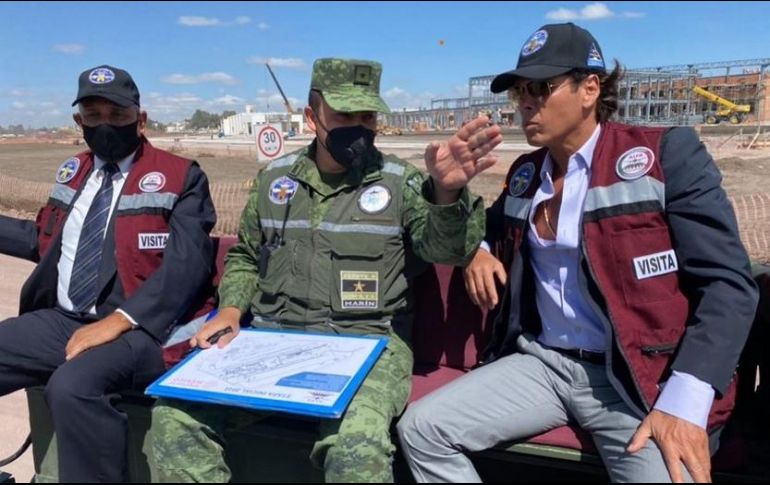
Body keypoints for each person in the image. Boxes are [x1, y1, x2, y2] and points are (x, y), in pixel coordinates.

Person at [397, 23, 758, 483]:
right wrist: (474, 242)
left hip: (639, 380)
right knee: (421, 430)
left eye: (540, 88)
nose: (525, 101)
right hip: (544, 365)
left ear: (590, 89)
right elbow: (480, 230)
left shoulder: (664, 155)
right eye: (518, 92)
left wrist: (684, 401)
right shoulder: (527, 173)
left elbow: (729, 285)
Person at [150, 57, 502, 483]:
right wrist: (230, 310)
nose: (359, 125)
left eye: (367, 115)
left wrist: (447, 193)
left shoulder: (400, 183)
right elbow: (246, 254)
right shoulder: (274, 181)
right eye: (344, 114)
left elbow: (445, 249)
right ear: (312, 117)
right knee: (175, 417)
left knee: (356, 446)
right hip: (274, 339)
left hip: (369, 342)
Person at [0, 64, 217, 482]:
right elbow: (44, 242)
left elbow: (188, 266)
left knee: (73, 386)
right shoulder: (74, 172)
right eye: (94, 117)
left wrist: (122, 320)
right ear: (78, 121)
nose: (106, 126)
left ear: (141, 117)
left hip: (146, 329)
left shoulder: (180, 175)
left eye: (117, 115)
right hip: (65, 320)